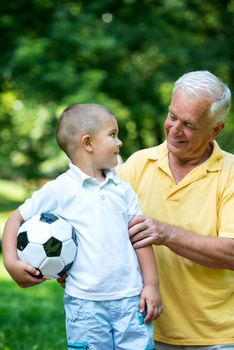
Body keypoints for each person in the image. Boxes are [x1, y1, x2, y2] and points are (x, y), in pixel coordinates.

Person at [2, 103, 163, 350]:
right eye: (112, 135)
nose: (119, 142)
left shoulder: (123, 190)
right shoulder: (59, 189)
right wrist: (11, 262)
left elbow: (140, 239)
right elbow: (15, 219)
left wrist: (151, 286)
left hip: (131, 301)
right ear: (88, 143)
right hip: (84, 305)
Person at [117, 70, 234, 349]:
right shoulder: (137, 165)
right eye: (172, 116)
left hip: (217, 337)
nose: (174, 129)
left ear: (216, 129)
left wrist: (165, 233)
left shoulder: (230, 173)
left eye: (189, 125)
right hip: (144, 328)